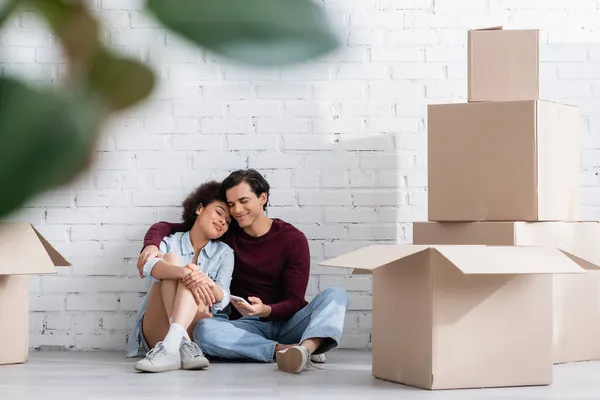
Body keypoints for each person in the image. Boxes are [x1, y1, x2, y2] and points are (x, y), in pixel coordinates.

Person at [138, 168, 349, 374]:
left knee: (336, 295)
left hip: (290, 321)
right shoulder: (228, 233)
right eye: (231, 204)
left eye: (244, 201)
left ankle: (306, 349)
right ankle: (285, 350)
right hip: (247, 325)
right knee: (205, 330)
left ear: (262, 198)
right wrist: (151, 244)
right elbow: (173, 227)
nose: (237, 210)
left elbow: (295, 300)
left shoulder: (292, 238)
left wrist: (266, 309)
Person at [126, 181, 234, 373]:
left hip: (197, 329)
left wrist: (207, 283)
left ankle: (172, 346)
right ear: (199, 208)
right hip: (156, 328)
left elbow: (223, 298)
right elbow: (150, 267)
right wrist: (184, 272)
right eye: (219, 212)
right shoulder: (170, 241)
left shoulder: (225, 253)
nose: (222, 221)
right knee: (173, 260)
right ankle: (176, 342)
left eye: (228, 221)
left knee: (190, 271)